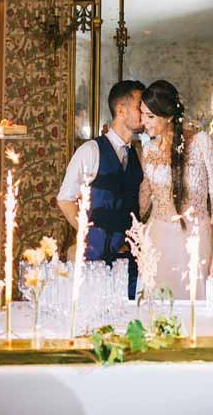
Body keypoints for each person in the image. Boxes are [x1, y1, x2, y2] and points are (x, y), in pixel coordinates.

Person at [139, 80, 213, 299]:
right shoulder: (148, 150)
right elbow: (146, 201)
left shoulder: (202, 143)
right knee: (157, 308)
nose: (143, 122)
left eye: (150, 116)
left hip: (195, 239)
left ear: (168, 116)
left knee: (196, 310)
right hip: (157, 241)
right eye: (142, 114)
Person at [58, 80, 146, 299]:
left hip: (129, 261)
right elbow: (65, 199)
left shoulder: (137, 155)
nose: (144, 112)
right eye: (139, 106)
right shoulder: (90, 150)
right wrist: (89, 232)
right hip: (95, 260)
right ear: (121, 110)